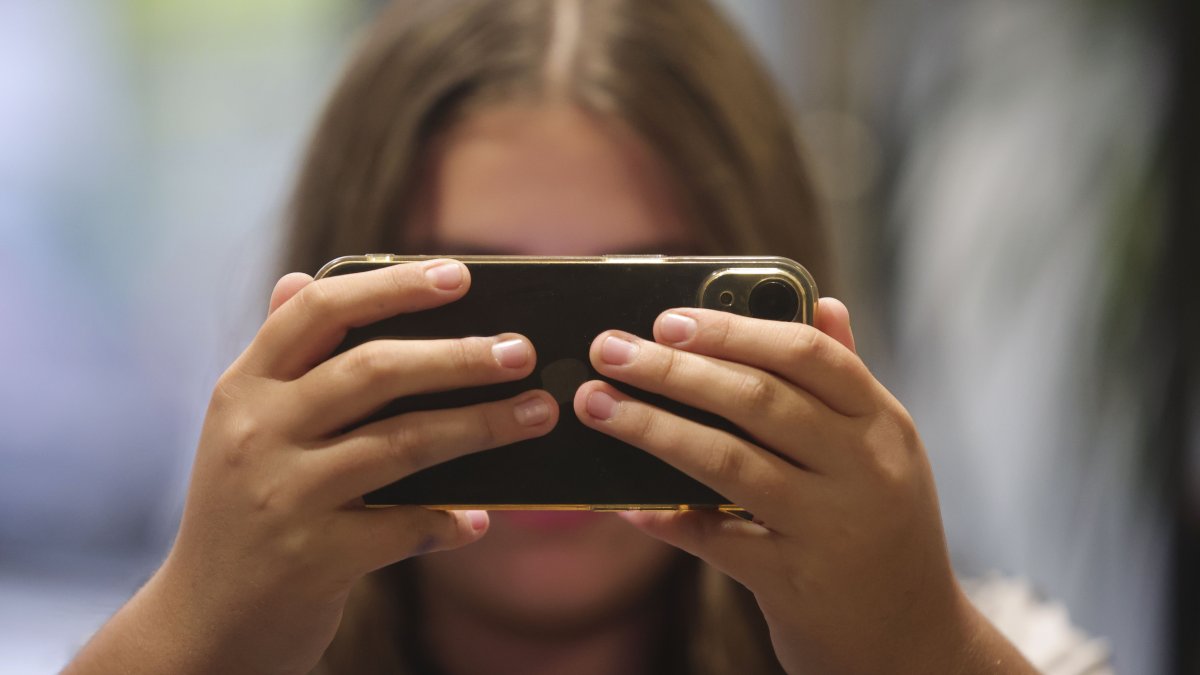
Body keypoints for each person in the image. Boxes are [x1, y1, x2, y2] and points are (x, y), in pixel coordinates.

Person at [64, 1, 1061, 673]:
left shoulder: (952, 644)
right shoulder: (209, 640)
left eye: (638, 320)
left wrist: (919, 649)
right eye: (473, 312)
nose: (559, 401)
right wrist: (189, 639)